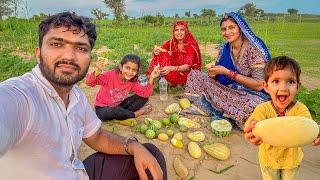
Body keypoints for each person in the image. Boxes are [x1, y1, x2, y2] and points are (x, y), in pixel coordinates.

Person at [0, 12, 166, 180]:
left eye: (80, 48)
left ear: (89, 57)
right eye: (56, 44)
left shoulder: (76, 95)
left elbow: (97, 136)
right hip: (105, 109)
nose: (69, 56)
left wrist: (132, 145)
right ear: (38, 54)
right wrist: (98, 71)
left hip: (77, 172)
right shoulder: (20, 95)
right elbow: (93, 81)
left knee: (150, 153)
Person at [184, 12, 271, 129]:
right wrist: (213, 74)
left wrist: (228, 72)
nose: (227, 32)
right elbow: (218, 79)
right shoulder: (224, 48)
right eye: (224, 29)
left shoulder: (253, 49)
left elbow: (259, 85)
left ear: (240, 28)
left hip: (250, 94)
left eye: (231, 27)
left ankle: (212, 104)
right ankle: (214, 105)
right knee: (195, 74)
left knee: (254, 107)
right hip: (228, 89)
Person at [244, 56, 320, 180]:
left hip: (291, 162)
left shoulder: (301, 110)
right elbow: (252, 124)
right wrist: (250, 131)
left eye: (290, 82)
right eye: (276, 81)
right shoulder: (262, 109)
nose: (283, 88)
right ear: (266, 86)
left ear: (298, 86)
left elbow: (308, 127)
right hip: (268, 160)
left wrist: (316, 131)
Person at [86, 54, 160, 121]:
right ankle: (135, 114)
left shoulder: (132, 81)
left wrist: (151, 78)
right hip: (103, 109)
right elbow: (90, 83)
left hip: (119, 105)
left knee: (143, 98)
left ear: (137, 72)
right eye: (127, 68)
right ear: (121, 67)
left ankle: (124, 114)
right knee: (112, 111)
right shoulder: (110, 75)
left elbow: (146, 93)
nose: (130, 72)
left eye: (134, 70)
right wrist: (97, 70)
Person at [146, 20, 202, 86]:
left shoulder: (190, 45)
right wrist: (155, 52)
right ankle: (152, 77)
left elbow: (187, 66)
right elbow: (160, 51)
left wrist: (170, 68)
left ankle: (168, 80)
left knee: (168, 74)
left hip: (189, 73)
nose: (179, 32)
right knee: (161, 54)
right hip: (175, 67)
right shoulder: (172, 42)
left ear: (186, 31)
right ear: (173, 32)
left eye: (182, 30)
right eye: (176, 30)